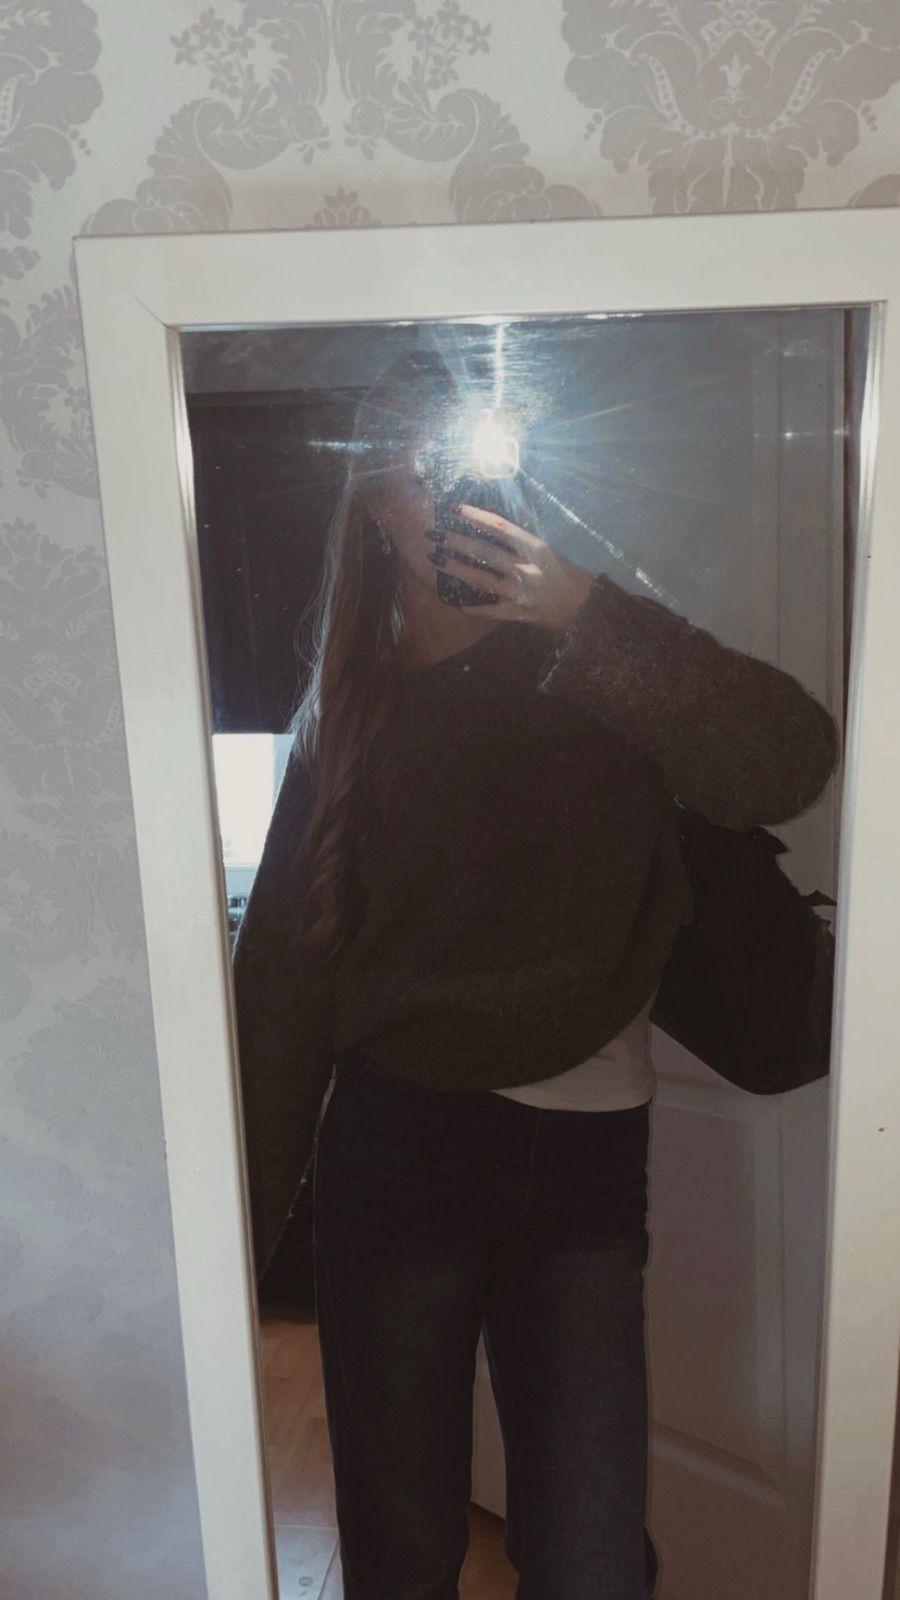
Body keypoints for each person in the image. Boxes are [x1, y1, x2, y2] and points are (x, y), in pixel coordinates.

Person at [232, 350, 840, 1600]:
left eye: (469, 465)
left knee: (592, 1555)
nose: (443, 499)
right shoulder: (347, 711)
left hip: (583, 1163)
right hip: (393, 1149)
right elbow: (283, 987)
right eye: (415, 472)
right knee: (400, 1548)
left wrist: (577, 608)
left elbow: (788, 760)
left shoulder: (601, 667)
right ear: (371, 503)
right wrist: (227, 1236)